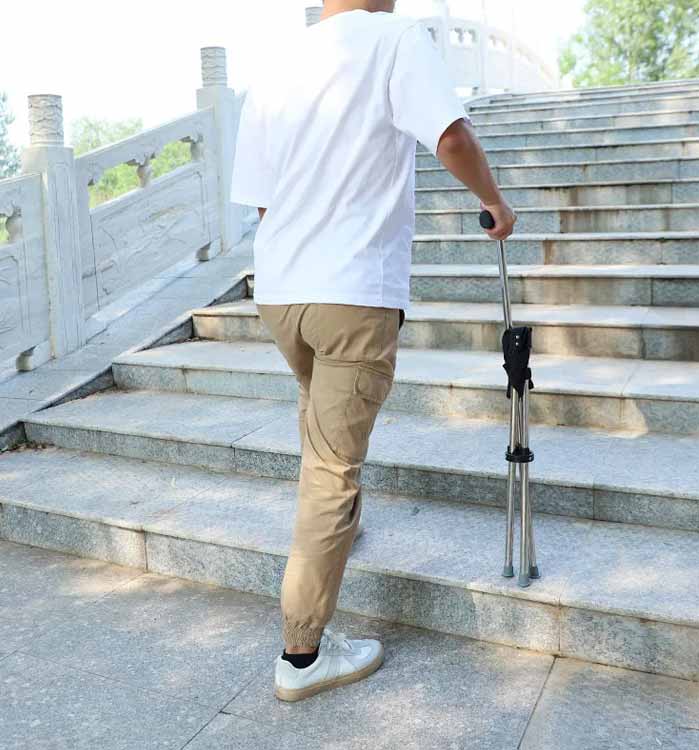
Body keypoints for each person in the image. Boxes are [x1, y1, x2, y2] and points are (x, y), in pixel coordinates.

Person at [230, 0, 516, 703]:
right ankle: (302, 655)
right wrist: (496, 202)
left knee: (319, 424)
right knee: (333, 467)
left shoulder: (280, 61)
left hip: (282, 292)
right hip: (352, 291)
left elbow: (262, 201)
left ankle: (337, 535)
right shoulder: (395, 38)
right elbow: (451, 137)